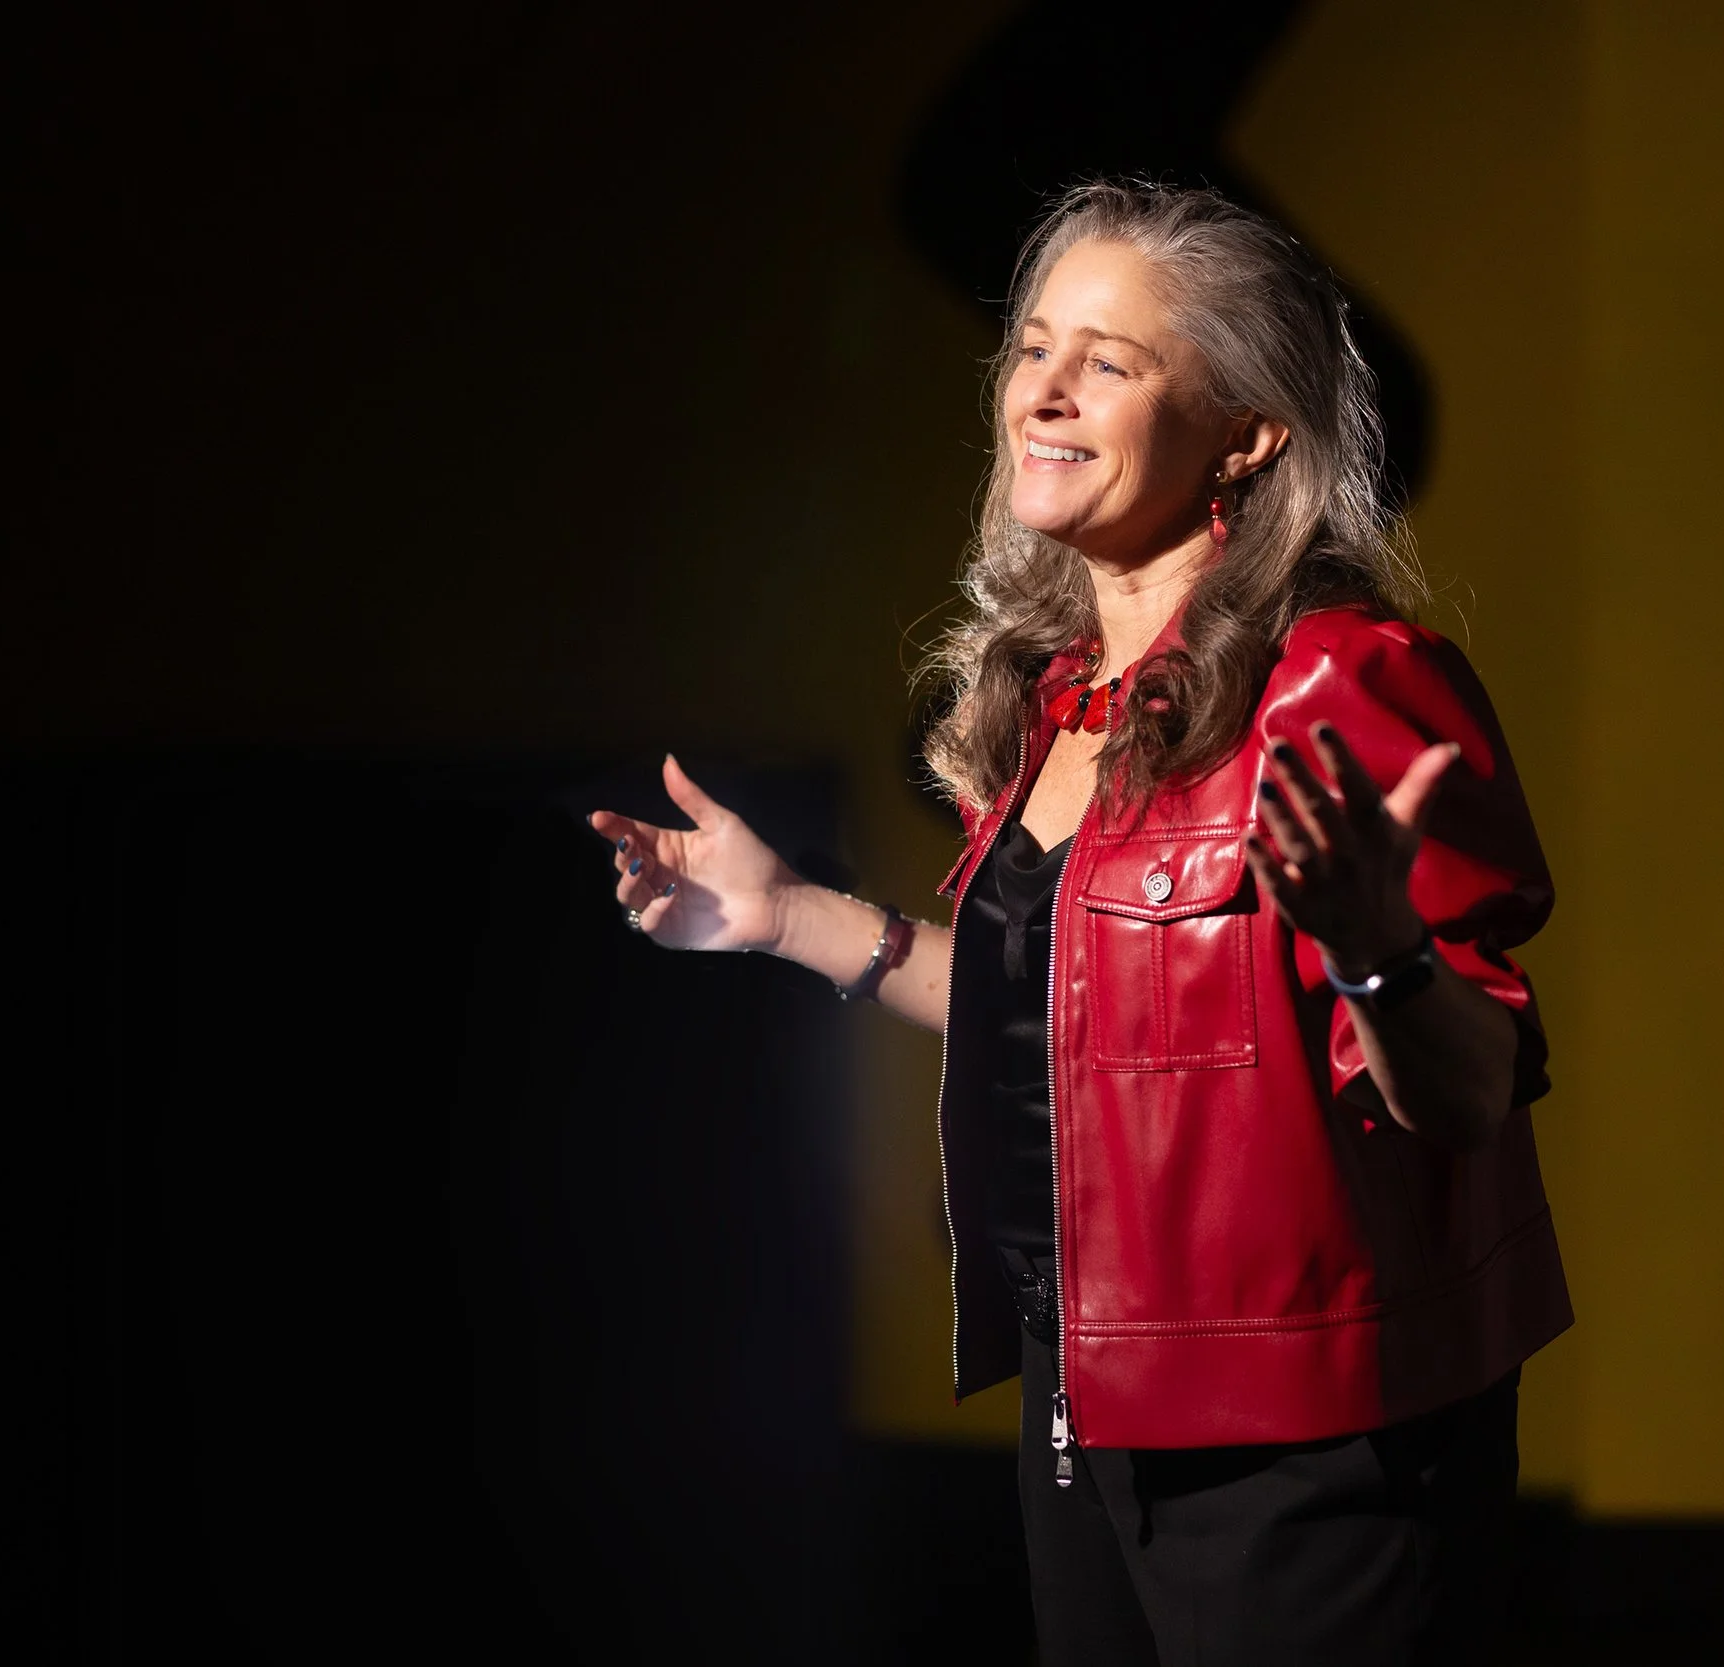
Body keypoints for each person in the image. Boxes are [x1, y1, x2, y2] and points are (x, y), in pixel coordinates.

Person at [588, 181, 1569, 1665]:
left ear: (1246, 432)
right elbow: (1065, 1017)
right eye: (1033, 348)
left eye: (1109, 362)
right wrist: (780, 912)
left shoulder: (1341, 683)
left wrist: (1377, 945)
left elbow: (1471, 1086)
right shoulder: (1061, 701)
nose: (1042, 392)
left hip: (1302, 1442)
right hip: (1083, 1394)